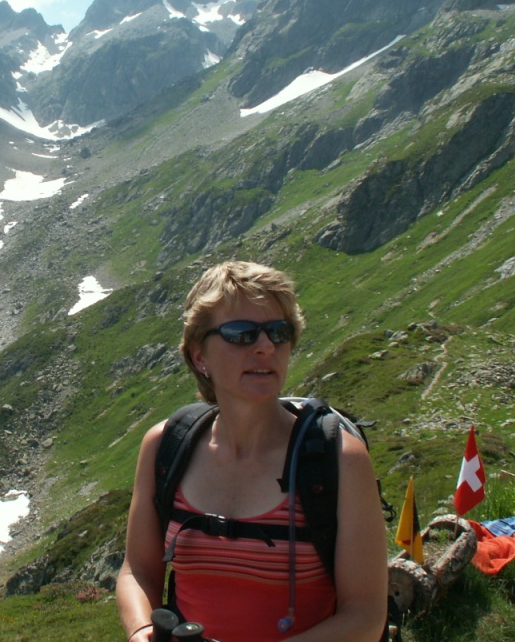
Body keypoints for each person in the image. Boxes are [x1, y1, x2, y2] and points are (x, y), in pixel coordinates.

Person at [117, 261, 387, 642]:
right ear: (199, 356)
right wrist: (142, 631)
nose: (265, 347)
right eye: (241, 334)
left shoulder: (341, 459)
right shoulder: (165, 445)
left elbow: (365, 617)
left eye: (279, 332)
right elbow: (138, 571)